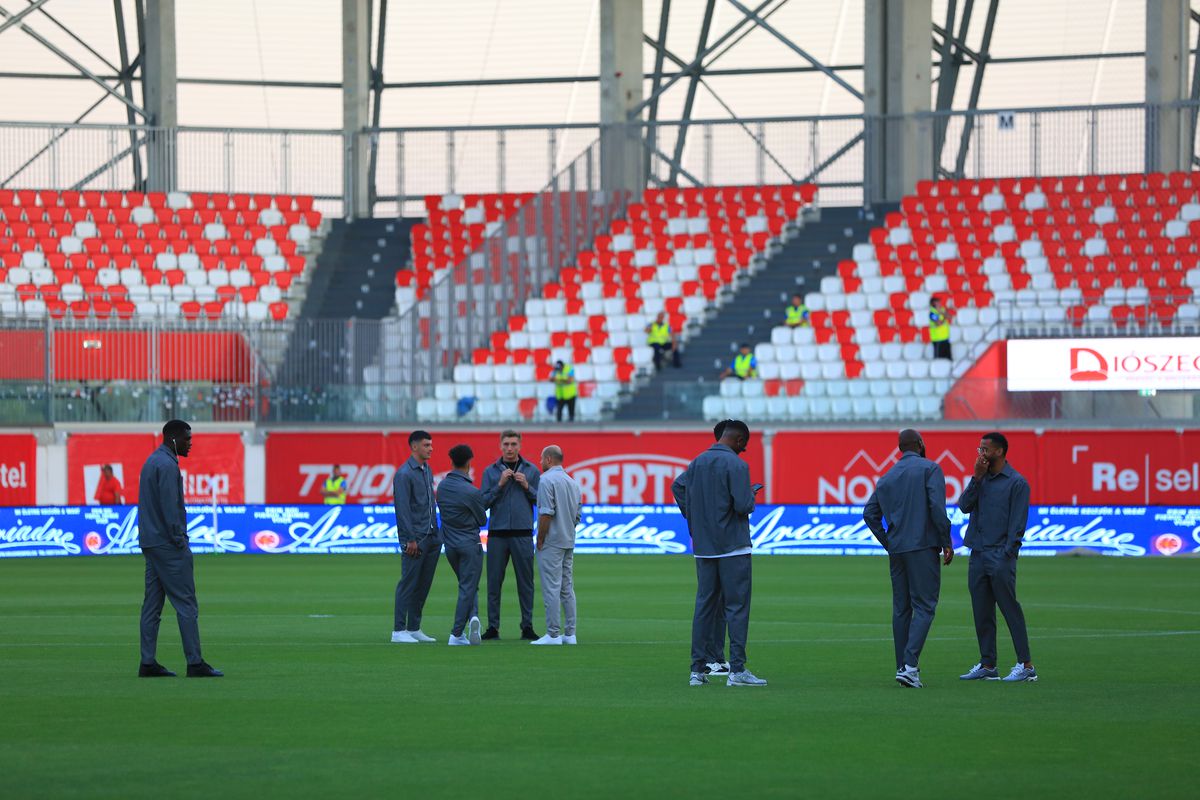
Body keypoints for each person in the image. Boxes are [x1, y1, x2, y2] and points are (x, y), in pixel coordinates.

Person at [672, 419, 766, 687]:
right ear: (738, 440)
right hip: (732, 547)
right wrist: (751, 495)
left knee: (704, 607)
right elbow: (742, 506)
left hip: (704, 547)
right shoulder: (737, 464)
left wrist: (695, 516)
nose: (743, 450)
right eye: (743, 446)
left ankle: (696, 671)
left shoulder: (697, 463)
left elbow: (678, 487)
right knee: (736, 607)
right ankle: (736, 670)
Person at [862, 429, 954, 689]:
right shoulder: (930, 469)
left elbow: (869, 514)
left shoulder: (887, 477)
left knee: (902, 608)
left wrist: (888, 541)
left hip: (898, 549)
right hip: (923, 546)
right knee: (925, 606)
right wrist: (946, 540)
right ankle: (910, 666)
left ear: (900, 448)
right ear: (921, 444)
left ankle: (902, 666)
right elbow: (937, 507)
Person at [137, 419, 221, 678]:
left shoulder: (152, 461)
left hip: (151, 542)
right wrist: (179, 540)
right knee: (186, 603)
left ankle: (147, 662)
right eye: (187, 438)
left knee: (152, 606)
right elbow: (170, 507)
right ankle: (194, 662)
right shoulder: (167, 465)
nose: (190, 443)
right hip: (168, 544)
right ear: (173, 438)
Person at [957, 431, 1037, 683]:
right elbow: (963, 505)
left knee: (1009, 609)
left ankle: (1026, 665)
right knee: (981, 612)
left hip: (1000, 555)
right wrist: (976, 478)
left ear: (1000, 452)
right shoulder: (981, 479)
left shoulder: (1016, 483)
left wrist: (1007, 554)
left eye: (985, 449)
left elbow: (1017, 525)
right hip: (978, 554)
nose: (981, 454)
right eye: (979, 449)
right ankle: (988, 664)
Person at [480, 429, 542, 641]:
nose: (509, 448)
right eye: (506, 444)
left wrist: (527, 486)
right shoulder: (490, 472)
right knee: (494, 583)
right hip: (497, 534)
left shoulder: (531, 471)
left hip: (523, 534)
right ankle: (493, 627)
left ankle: (527, 626)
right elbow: (483, 503)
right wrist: (499, 485)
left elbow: (541, 501)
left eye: (513, 444)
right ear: (500, 445)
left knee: (526, 583)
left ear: (520, 446)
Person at [391, 430, 441, 644]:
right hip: (416, 539)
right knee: (408, 583)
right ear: (414, 447)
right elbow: (402, 509)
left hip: (431, 535)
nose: (431, 448)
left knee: (423, 584)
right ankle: (398, 630)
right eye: (426, 445)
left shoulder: (426, 470)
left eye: (431, 445)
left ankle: (414, 627)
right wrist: (409, 538)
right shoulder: (404, 474)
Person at [531, 445, 582, 646]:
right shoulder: (573, 483)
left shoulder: (546, 480)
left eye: (541, 459)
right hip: (568, 539)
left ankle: (553, 634)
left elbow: (546, 513)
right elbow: (578, 515)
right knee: (566, 587)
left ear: (549, 459)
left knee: (551, 587)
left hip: (551, 541)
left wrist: (540, 538)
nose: (540, 462)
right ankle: (570, 634)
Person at [436, 444, 486, 646]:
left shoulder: (442, 487)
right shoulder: (471, 491)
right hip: (469, 545)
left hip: (450, 545)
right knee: (468, 586)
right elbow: (482, 519)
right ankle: (456, 634)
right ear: (469, 462)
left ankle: (473, 617)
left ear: (452, 462)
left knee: (467, 584)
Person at [929, 296, 952, 360]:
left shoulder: (942, 310)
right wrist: (944, 316)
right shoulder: (932, 313)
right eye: (938, 302)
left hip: (945, 338)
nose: (940, 303)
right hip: (938, 340)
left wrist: (942, 312)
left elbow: (950, 317)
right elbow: (939, 323)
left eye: (939, 302)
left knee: (948, 359)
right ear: (933, 304)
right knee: (939, 360)